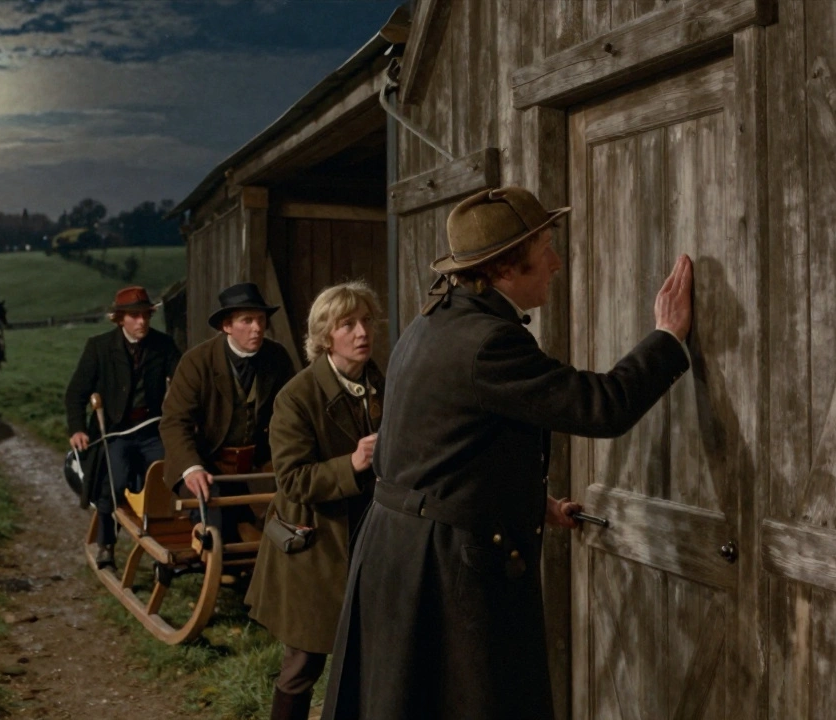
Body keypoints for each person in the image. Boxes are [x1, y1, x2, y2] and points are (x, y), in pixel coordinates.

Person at [321, 187, 694, 720]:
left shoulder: (434, 322)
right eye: (544, 247)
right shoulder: (485, 341)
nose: (556, 262)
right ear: (504, 266)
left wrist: (523, 498)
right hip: (441, 564)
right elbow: (601, 406)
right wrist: (667, 337)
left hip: (403, 548)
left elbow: (440, 448)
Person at [244, 281, 384, 720]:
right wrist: (354, 463)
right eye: (348, 324)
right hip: (314, 550)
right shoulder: (297, 396)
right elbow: (292, 479)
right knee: (302, 666)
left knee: (372, 661)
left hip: (371, 542)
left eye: (366, 321)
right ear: (326, 336)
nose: (362, 332)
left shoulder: (385, 384)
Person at [160, 282, 296, 542]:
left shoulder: (276, 357)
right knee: (216, 522)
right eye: (247, 321)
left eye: (261, 319)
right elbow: (174, 423)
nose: (257, 328)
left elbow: (294, 413)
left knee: (289, 508)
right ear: (226, 326)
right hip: (205, 461)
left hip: (256, 463)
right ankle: (223, 569)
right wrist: (191, 467)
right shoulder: (197, 362)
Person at [65, 286, 182, 570]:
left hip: (151, 430)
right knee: (113, 482)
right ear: (119, 319)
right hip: (115, 432)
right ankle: (107, 544)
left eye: (145, 315)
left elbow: (183, 382)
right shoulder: (99, 347)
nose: (141, 322)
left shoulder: (164, 345)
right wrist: (78, 429)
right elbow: (76, 393)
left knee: (168, 480)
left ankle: (163, 546)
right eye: (134, 316)